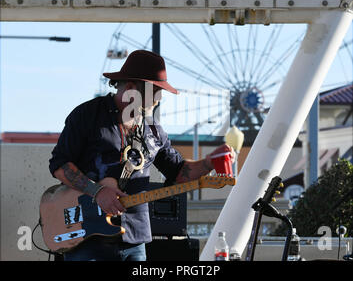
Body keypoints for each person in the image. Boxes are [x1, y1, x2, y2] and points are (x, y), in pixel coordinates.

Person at [49, 49, 235, 261]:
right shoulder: (87, 115)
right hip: (87, 238)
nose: (159, 99)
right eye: (155, 91)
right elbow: (59, 164)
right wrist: (97, 191)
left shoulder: (153, 129)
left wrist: (210, 161)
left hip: (135, 239)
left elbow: (179, 173)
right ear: (130, 88)